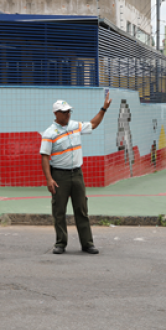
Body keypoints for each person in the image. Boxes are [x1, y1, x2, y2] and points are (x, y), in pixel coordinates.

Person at [40, 94, 112, 255]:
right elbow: (45, 157)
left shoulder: (75, 126)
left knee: (81, 209)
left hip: (77, 174)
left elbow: (93, 124)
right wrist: (49, 179)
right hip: (59, 176)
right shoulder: (49, 133)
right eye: (64, 112)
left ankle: (87, 243)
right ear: (56, 114)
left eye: (69, 111)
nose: (68, 114)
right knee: (59, 211)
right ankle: (60, 243)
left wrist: (104, 108)